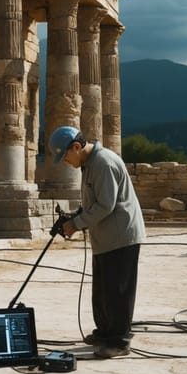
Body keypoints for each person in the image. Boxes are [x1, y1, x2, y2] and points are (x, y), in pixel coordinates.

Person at [48, 126, 145, 359]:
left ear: (77, 147)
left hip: (121, 237)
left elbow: (106, 205)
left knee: (118, 292)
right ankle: (105, 333)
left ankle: (120, 342)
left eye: (66, 157)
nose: (66, 162)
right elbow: (94, 203)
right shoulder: (89, 164)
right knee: (102, 290)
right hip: (105, 238)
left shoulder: (103, 163)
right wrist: (75, 217)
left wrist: (77, 224)